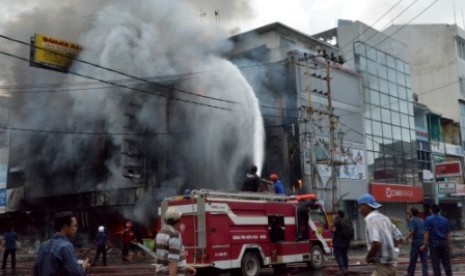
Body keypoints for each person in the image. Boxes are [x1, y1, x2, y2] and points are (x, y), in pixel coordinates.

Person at [357, 193, 403, 276]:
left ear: (367, 206)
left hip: (383, 266)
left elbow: (377, 243)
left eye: (360, 207)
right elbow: (399, 238)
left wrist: (368, 257)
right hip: (392, 264)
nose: (359, 210)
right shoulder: (385, 218)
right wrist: (390, 250)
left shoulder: (370, 220)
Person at [33, 211, 90, 276]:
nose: (76, 229)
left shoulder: (43, 246)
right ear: (65, 227)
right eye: (74, 226)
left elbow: (36, 270)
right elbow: (77, 273)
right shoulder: (66, 246)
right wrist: (83, 267)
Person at [155, 207, 196, 276]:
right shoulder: (174, 235)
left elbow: (165, 258)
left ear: (165, 220)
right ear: (178, 221)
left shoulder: (160, 233)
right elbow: (172, 261)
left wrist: (185, 267)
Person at [420, 204, 452, 276]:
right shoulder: (445, 220)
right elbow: (448, 234)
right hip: (444, 243)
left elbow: (426, 233)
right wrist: (449, 246)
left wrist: (425, 244)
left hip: (434, 243)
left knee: (436, 264)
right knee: (446, 263)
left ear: (431, 210)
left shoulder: (428, 219)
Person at [406, 207, 428, 276]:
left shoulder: (412, 220)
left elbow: (412, 231)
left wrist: (407, 237)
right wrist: (425, 243)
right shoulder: (422, 220)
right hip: (423, 240)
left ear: (412, 213)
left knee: (413, 259)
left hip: (416, 241)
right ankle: (425, 274)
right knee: (424, 261)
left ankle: (411, 273)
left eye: (409, 212)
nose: (409, 214)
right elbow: (426, 232)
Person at [332, 210, 351, 275]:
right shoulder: (347, 221)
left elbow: (333, 230)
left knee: (337, 255)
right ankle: (346, 268)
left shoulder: (337, 222)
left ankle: (342, 268)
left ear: (339, 215)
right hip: (347, 241)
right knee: (344, 255)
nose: (335, 215)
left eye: (336, 214)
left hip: (339, 241)